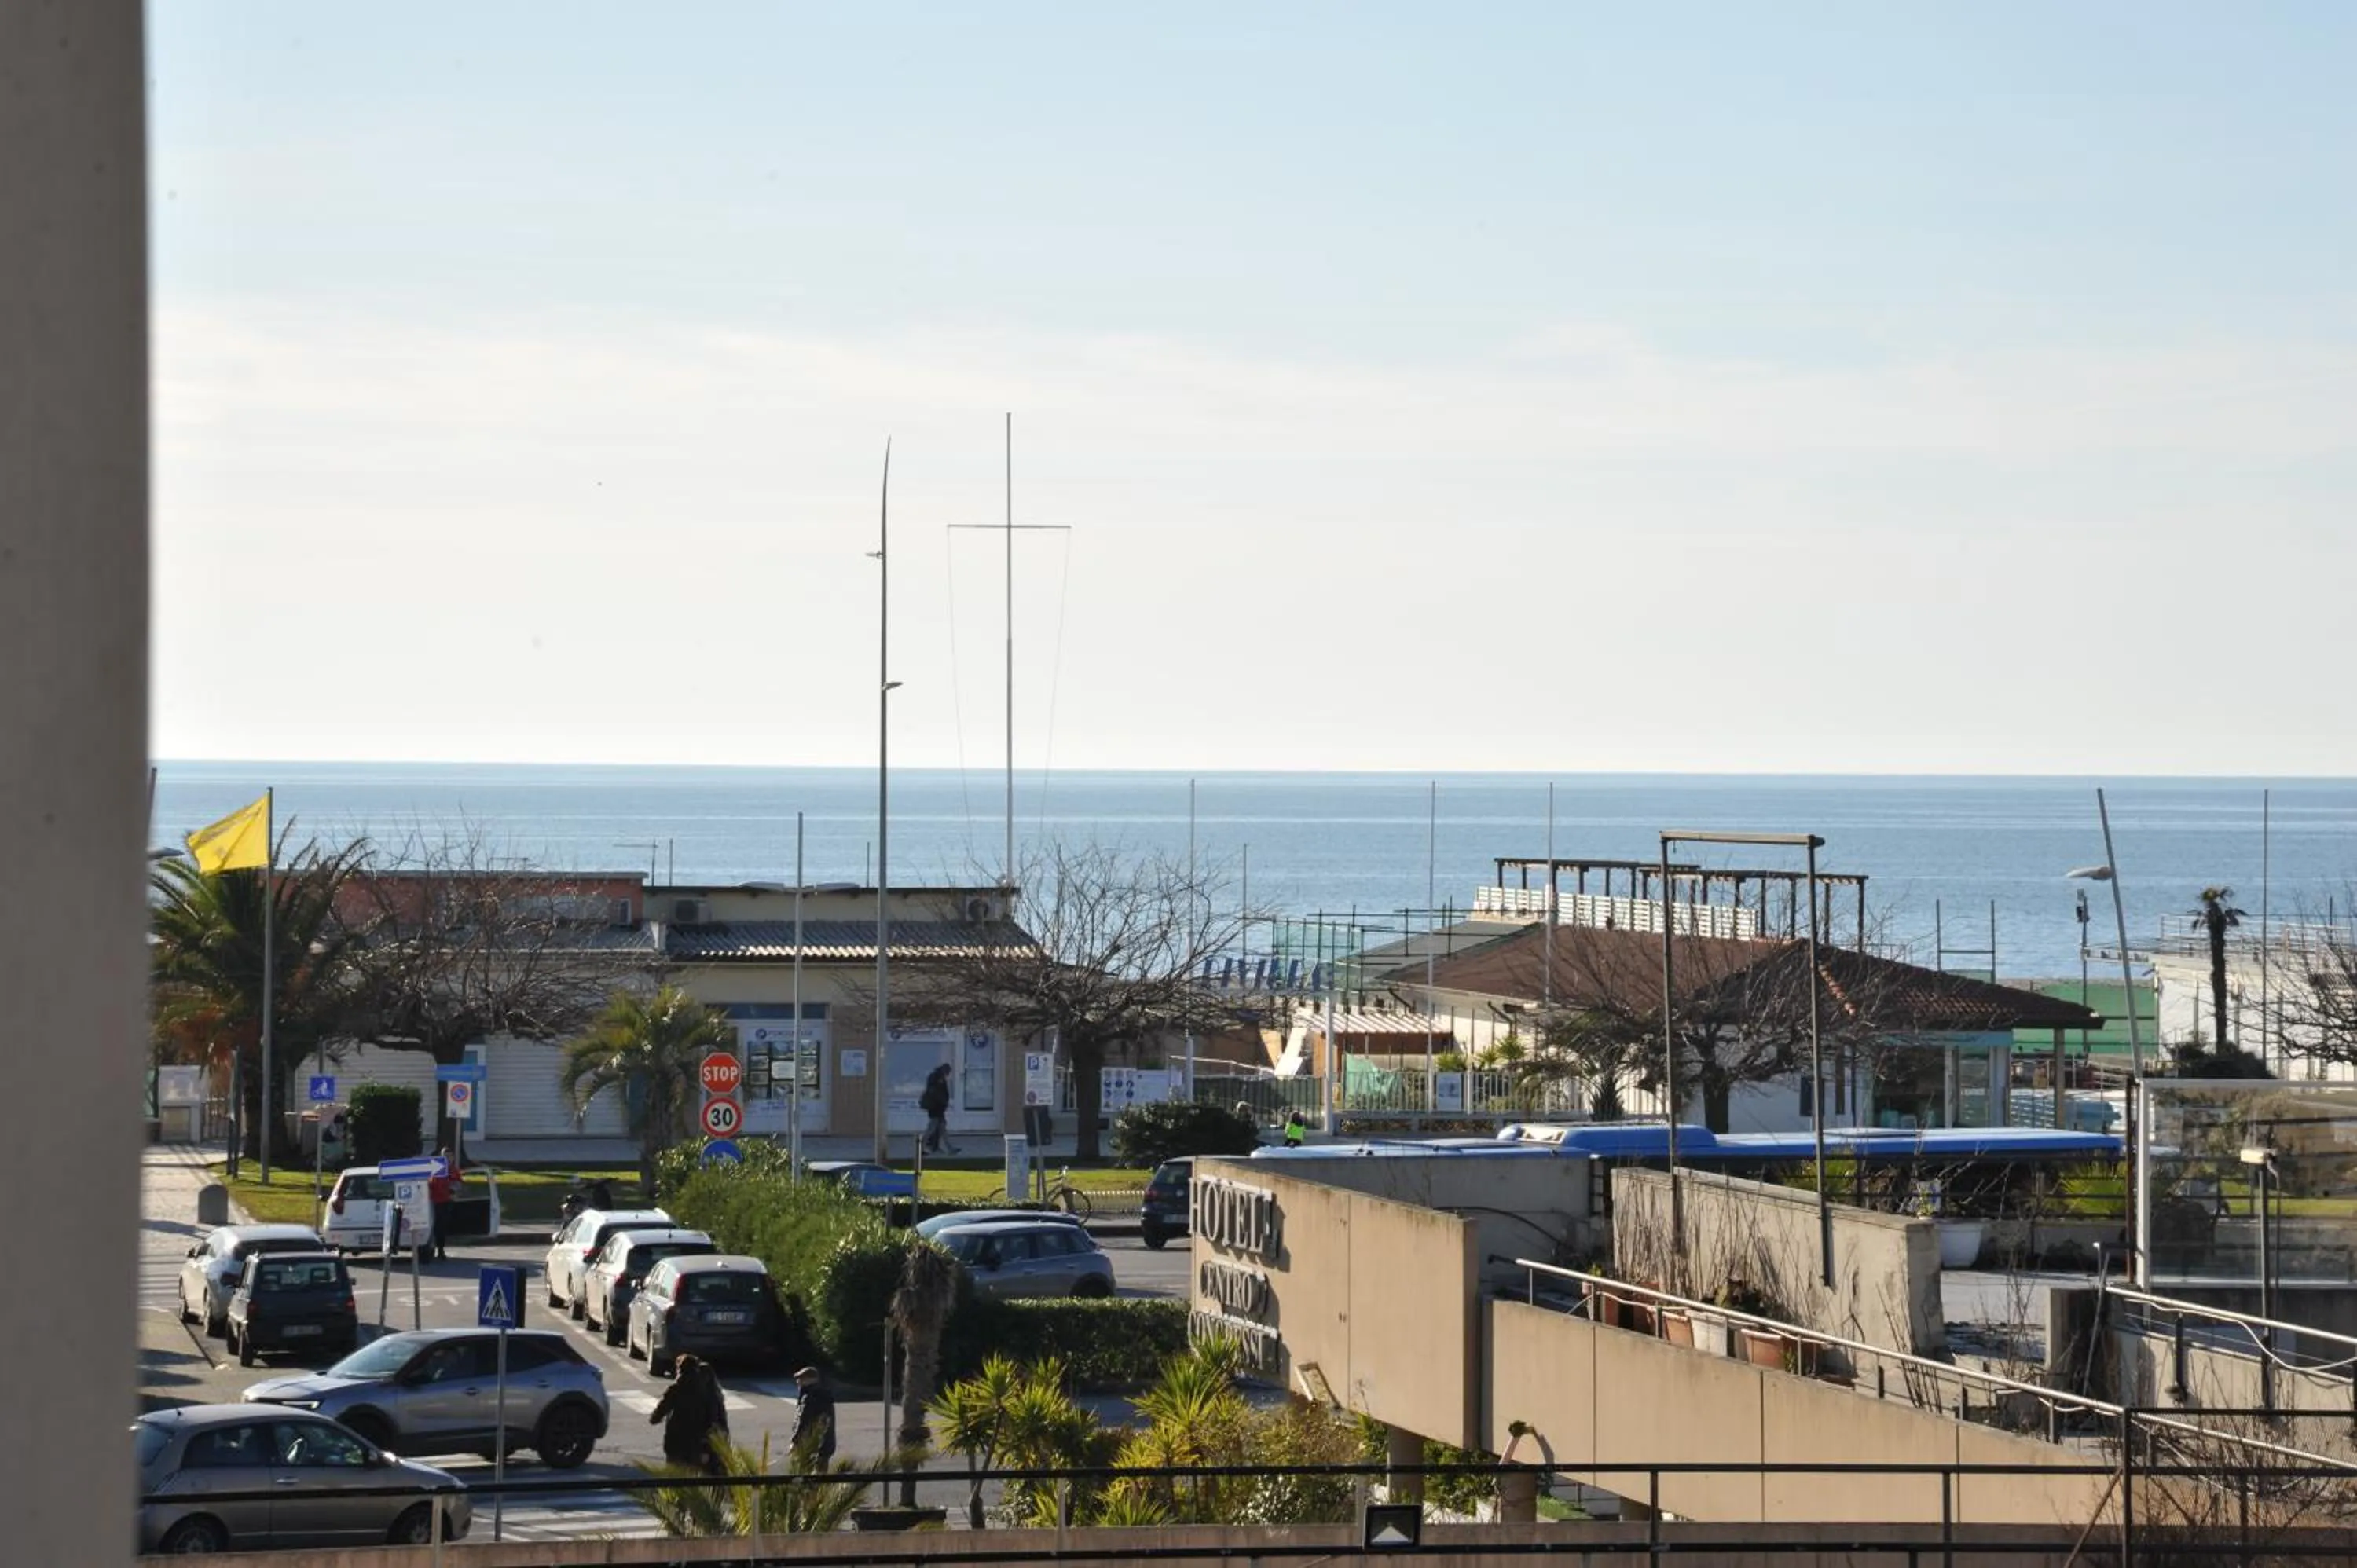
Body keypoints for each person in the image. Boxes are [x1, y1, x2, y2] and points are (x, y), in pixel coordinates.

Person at [650, 1354, 727, 1474]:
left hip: (675, 1442)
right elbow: (712, 1419)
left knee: (674, 1476)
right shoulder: (705, 1392)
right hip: (696, 1444)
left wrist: (655, 1418)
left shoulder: (675, 1389)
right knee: (694, 1478)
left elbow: (658, 1413)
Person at [789, 1365, 836, 1471]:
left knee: (804, 1474)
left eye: (801, 1379)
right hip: (826, 1443)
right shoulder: (825, 1395)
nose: (798, 1382)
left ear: (811, 1380)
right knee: (821, 1474)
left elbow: (804, 1421)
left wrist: (795, 1441)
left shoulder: (810, 1397)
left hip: (811, 1444)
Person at [424, 1149, 456, 1262]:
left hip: (446, 1202)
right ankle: (431, 1249)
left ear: (453, 1158)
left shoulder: (453, 1170)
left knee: (442, 1227)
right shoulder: (435, 1170)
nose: (447, 1159)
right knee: (433, 1226)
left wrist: (453, 1190)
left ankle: (441, 1250)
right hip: (433, 1202)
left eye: (450, 1157)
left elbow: (458, 1184)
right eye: (445, 1157)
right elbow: (428, 1184)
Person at [918, 1063, 956, 1156]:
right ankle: (921, 1147)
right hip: (936, 1109)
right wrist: (943, 1103)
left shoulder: (937, 1077)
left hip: (938, 1109)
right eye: (948, 1073)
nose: (948, 1075)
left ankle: (949, 1148)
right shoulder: (938, 1079)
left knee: (942, 1129)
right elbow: (937, 1094)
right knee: (932, 1129)